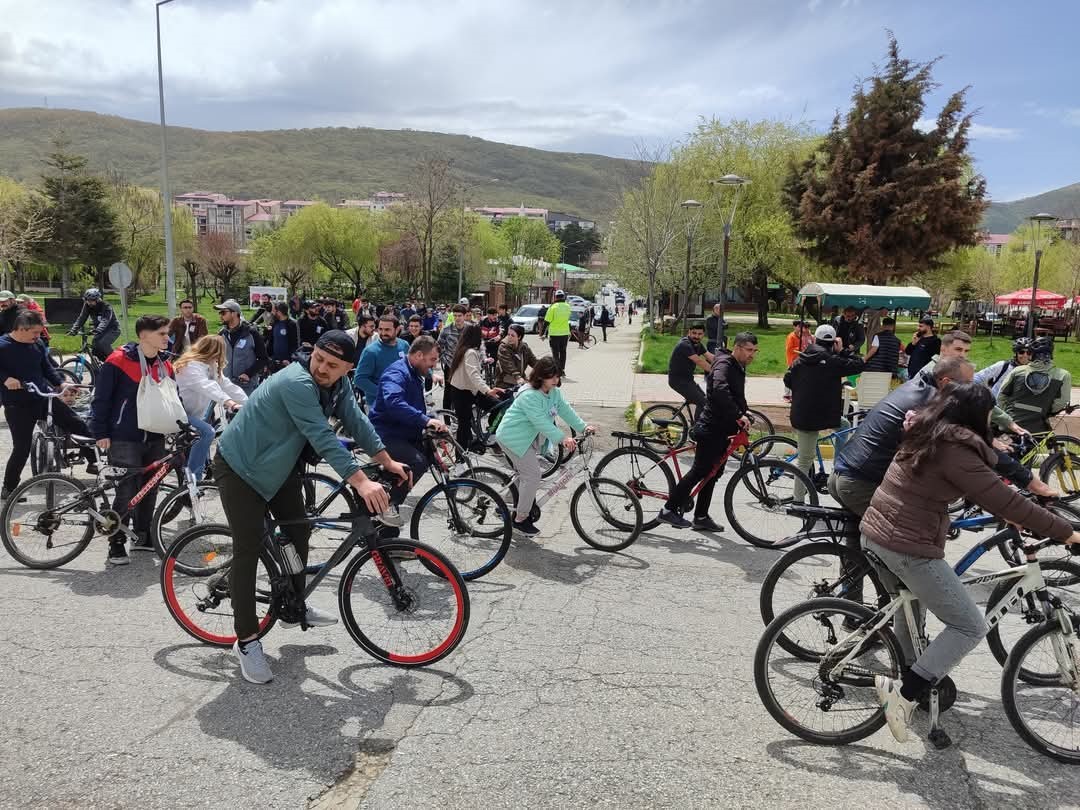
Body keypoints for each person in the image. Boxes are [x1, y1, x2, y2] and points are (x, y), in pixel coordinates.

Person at [862, 381, 1080, 742]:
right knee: (969, 626)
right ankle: (904, 696)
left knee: (909, 609)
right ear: (978, 416)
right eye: (989, 413)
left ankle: (907, 676)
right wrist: (1067, 533)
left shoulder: (932, 431)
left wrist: (1010, 508)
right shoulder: (956, 449)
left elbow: (985, 485)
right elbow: (999, 495)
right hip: (905, 544)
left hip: (882, 530)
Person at [215, 330, 410, 684]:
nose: (321, 367)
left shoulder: (339, 385)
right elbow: (321, 434)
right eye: (319, 358)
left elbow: (357, 421)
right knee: (248, 550)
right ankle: (246, 641)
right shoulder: (296, 382)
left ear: (348, 369)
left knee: (300, 528)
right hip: (240, 467)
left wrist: (386, 459)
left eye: (332, 365)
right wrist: (361, 481)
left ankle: (292, 604)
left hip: (278, 466)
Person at [828, 356, 1049, 518]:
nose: (971, 388)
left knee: (859, 547)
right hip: (861, 483)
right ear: (945, 381)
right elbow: (971, 445)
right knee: (901, 551)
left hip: (845, 474)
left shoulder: (919, 386)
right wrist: (1032, 483)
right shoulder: (933, 403)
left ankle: (852, 582)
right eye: (967, 383)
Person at [89, 314, 176, 563]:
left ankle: (142, 534)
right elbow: (101, 399)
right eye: (162, 333)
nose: (167, 338)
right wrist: (101, 432)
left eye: (167, 333)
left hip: (156, 435)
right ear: (144, 335)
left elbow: (172, 398)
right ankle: (116, 540)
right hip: (124, 436)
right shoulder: (117, 361)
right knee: (126, 490)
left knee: (150, 488)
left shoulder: (164, 363)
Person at [658, 332, 760, 532]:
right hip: (711, 428)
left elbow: (734, 394)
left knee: (713, 473)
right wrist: (738, 414)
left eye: (755, 351)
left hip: (722, 428)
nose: (752, 355)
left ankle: (701, 516)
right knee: (701, 470)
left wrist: (743, 411)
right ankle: (668, 510)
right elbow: (720, 388)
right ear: (737, 347)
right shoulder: (724, 364)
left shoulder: (738, 365)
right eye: (749, 350)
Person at [1, 310, 96, 501]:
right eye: (35, 332)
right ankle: (8, 489)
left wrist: (61, 383)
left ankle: (94, 463)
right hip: (17, 404)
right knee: (21, 448)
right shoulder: (3, 346)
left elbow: (47, 368)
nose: (38, 336)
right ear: (21, 329)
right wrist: (5, 379)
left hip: (42, 398)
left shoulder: (37, 344)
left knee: (77, 423)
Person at [494, 357, 590, 535]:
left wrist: (583, 427)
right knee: (532, 475)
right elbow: (540, 422)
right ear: (540, 376)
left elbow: (565, 410)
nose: (556, 380)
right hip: (512, 438)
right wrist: (563, 439)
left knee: (524, 475)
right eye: (551, 377)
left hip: (527, 439)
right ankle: (520, 519)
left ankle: (503, 506)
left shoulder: (553, 392)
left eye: (557, 376)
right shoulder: (530, 395)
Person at [784, 324, 865, 502]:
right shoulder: (833, 362)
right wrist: (842, 350)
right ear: (833, 342)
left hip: (804, 414)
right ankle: (798, 501)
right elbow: (860, 364)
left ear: (815, 340)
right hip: (820, 416)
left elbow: (787, 380)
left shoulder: (801, 358)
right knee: (805, 460)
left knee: (842, 425)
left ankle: (835, 466)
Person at [368, 335, 448, 486]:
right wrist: (425, 420)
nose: (434, 365)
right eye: (432, 359)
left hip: (402, 430)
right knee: (417, 462)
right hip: (386, 434)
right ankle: (388, 502)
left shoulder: (413, 371)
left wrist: (430, 419)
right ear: (419, 355)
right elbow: (395, 403)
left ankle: (385, 481)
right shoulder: (397, 373)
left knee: (428, 455)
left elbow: (413, 404)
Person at [174, 335, 247, 482]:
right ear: (213, 352)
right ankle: (195, 480)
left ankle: (186, 485)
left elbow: (227, 385)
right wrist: (230, 403)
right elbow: (207, 386)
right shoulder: (191, 366)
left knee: (196, 443)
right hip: (178, 414)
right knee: (207, 432)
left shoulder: (210, 366)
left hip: (190, 415)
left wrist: (249, 403)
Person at [997, 335, 1072, 434]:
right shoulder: (1063, 375)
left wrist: (1007, 414)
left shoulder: (1018, 371)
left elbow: (1001, 396)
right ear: (1051, 354)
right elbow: (1061, 402)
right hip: (1038, 428)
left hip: (1011, 425)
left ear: (1031, 354)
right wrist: (1047, 410)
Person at [448, 324, 504, 452]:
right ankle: (460, 461)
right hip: (462, 392)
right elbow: (474, 375)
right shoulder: (470, 352)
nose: (482, 338)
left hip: (472, 390)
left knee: (498, 407)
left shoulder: (465, 349)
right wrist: (488, 390)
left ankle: (490, 434)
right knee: (464, 426)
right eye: (481, 336)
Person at [215, 299, 268, 396]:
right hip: (227, 386)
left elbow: (263, 359)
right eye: (220, 313)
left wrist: (248, 374)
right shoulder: (222, 334)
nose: (221, 316)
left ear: (234, 313)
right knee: (230, 411)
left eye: (223, 312)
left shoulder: (252, 333)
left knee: (246, 411)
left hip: (246, 387)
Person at [354, 314, 409, 404]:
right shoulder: (370, 351)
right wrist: (383, 392)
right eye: (380, 329)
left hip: (402, 401)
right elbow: (359, 379)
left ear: (398, 329)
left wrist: (430, 374)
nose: (383, 333)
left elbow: (412, 366)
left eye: (387, 330)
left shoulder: (404, 345)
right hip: (379, 405)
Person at [666, 324, 714, 421]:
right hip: (678, 381)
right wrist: (717, 372)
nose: (696, 336)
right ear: (689, 332)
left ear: (703, 335)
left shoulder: (698, 345)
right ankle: (697, 428)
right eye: (694, 333)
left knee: (706, 401)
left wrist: (726, 363)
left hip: (688, 381)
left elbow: (710, 356)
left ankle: (697, 424)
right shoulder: (685, 345)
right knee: (703, 403)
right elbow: (699, 361)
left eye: (700, 334)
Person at [68, 288, 121, 362]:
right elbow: (82, 318)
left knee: (103, 344)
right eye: (87, 300)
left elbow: (105, 320)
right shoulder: (87, 306)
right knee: (95, 347)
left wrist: (98, 330)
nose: (89, 303)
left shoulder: (106, 306)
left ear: (97, 299)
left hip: (113, 329)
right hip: (99, 331)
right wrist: (74, 329)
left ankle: (115, 362)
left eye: (91, 301)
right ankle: (98, 368)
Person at [436, 304, 467, 409]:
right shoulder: (446, 330)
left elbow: (479, 344)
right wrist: (443, 357)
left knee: (464, 391)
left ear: (465, 316)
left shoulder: (470, 329)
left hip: (466, 365)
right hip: (450, 365)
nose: (457, 318)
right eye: (455, 315)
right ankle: (447, 417)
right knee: (448, 391)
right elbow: (439, 345)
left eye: (459, 315)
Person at [495, 324, 538, 389]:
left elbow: (534, 361)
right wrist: (518, 377)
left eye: (512, 335)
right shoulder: (503, 347)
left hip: (521, 381)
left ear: (519, 337)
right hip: (505, 382)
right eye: (508, 334)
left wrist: (545, 369)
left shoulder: (524, 347)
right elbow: (508, 364)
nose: (509, 337)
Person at [545, 290, 572, 375]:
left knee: (555, 353)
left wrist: (542, 333)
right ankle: (562, 370)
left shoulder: (553, 307)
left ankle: (557, 371)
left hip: (554, 334)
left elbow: (547, 321)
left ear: (555, 297)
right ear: (563, 297)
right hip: (564, 333)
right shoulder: (568, 306)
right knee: (563, 352)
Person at [267, 302, 300, 371]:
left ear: (279, 312)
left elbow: (295, 343)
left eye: (273, 310)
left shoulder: (292, 324)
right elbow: (270, 341)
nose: (272, 312)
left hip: (286, 362)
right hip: (274, 360)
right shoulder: (274, 322)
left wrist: (290, 359)